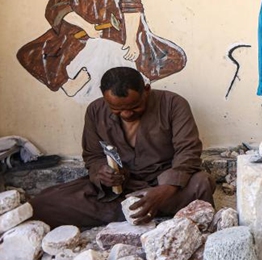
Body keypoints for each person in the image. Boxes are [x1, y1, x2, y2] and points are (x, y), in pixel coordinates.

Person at [31, 67, 214, 227]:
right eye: (116, 110)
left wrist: (166, 190)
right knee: (42, 203)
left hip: (164, 184)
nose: (126, 114)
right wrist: (102, 172)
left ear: (146, 91)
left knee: (201, 183)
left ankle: (136, 211)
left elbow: (188, 150)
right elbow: (93, 156)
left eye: (135, 106)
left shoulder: (173, 104)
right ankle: (143, 211)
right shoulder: (95, 111)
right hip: (121, 190)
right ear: (104, 98)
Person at [16, 0, 186, 99]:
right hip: (75, 37)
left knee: (173, 57)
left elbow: (132, 12)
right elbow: (58, 8)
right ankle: (68, 84)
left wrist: (131, 41)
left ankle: (139, 80)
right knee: (31, 54)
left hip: (118, 37)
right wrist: (86, 26)